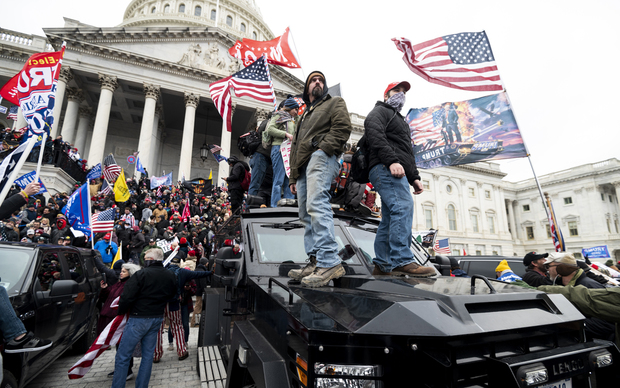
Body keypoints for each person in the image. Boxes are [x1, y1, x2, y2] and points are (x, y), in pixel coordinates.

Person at [287, 71, 353, 287]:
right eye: (313, 80)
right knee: (305, 214)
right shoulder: (304, 115)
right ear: (307, 88)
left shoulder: (334, 103)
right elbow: (295, 148)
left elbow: (343, 128)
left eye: (321, 80)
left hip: (321, 158)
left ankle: (329, 261)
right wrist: (293, 178)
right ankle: (315, 261)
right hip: (303, 167)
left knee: (317, 204)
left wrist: (323, 150)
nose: (317, 82)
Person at [363, 81, 435, 277]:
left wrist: (415, 178)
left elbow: (406, 152)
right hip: (385, 167)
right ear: (386, 95)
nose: (401, 94)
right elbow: (374, 134)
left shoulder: (400, 120)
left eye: (404, 92)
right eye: (397, 91)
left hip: (395, 169)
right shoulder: (380, 111)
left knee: (389, 217)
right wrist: (391, 161)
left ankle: (384, 264)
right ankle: (402, 259)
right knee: (403, 207)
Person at [112, 248, 177, 388]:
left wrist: (120, 313)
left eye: (145, 258)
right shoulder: (170, 275)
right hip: (157, 317)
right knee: (147, 357)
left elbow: (127, 296)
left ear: (150, 260)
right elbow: (173, 295)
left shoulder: (141, 274)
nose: (143, 260)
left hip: (138, 318)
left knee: (123, 356)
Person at [98, 262, 141, 381]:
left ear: (130, 273)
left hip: (122, 319)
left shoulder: (130, 285)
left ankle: (127, 370)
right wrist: (105, 289)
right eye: (121, 271)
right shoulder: (118, 284)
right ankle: (121, 369)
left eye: (123, 271)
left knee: (123, 346)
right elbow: (107, 297)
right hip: (111, 318)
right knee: (119, 346)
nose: (120, 273)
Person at [266, 97, 299, 207]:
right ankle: (274, 206)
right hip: (279, 148)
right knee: (278, 180)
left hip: (290, 151)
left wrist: (298, 118)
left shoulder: (293, 120)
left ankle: (289, 205)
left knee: (289, 180)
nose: (297, 111)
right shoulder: (279, 115)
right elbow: (270, 129)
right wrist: (286, 134)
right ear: (290, 108)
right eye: (295, 109)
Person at [248, 120, 272, 197]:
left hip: (262, 157)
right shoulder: (269, 122)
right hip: (261, 155)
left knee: (257, 184)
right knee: (255, 184)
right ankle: (250, 207)